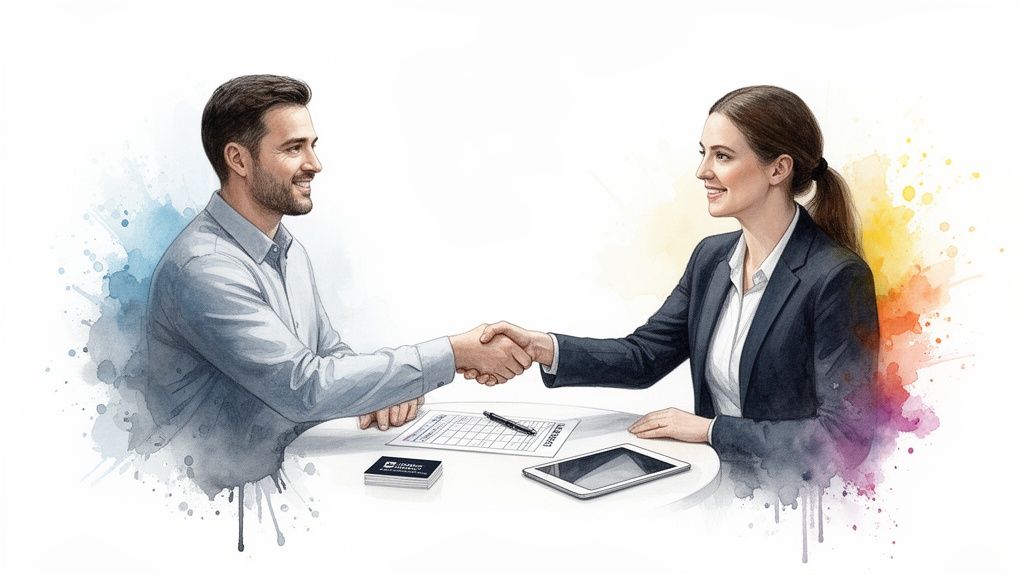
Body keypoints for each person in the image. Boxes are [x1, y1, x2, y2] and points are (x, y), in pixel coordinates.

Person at [464, 86, 879, 493]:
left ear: (778, 169)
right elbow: (644, 356)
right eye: (704, 153)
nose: (703, 171)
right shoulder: (711, 259)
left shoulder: (837, 277)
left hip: (792, 506)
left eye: (722, 156)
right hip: (716, 493)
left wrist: (710, 431)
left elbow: (844, 438)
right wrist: (543, 347)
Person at [139, 75, 531, 497]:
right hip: (219, 501)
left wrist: (385, 390)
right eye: (294, 148)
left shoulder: (287, 250)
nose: (315, 164)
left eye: (312, 145)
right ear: (238, 159)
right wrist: (452, 355)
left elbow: (330, 355)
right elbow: (305, 387)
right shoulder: (206, 267)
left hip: (283, 480)